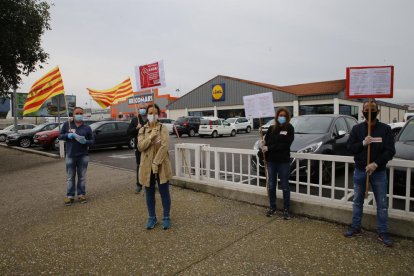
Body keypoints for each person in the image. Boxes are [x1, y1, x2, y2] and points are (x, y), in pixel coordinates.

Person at [344, 100, 396, 247]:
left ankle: (383, 232)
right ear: (362, 112)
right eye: (367, 109)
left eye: (372, 109)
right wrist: (362, 144)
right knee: (357, 201)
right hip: (361, 171)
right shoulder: (357, 129)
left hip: (378, 172)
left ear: (378, 112)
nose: (369, 111)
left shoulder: (385, 129)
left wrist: (376, 164)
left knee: (382, 203)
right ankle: (355, 227)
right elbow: (349, 148)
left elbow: (390, 150)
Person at [138, 103, 173, 230]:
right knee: (149, 193)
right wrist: (151, 137)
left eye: (155, 113)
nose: (153, 115)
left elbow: (164, 146)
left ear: (159, 114)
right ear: (147, 115)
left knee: (164, 192)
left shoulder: (163, 128)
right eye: (150, 113)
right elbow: (141, 146)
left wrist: (156, 162)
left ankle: (166, 217)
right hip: (146, 166)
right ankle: (152, 217)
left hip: (161, 164)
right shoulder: (142, 130)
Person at [261, 107, 295, 220]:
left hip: (283, 161)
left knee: (285, 186)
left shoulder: (289, 128)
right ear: (277, 116)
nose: (282, 117)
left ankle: (286, 209)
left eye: (284, 115)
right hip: (271, 161)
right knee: (271, 185)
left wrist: (269, 147)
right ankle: (272, 207)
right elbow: (269, 141)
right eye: (280, 115)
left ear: (287, 117)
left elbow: (285, 145)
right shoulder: (271, 128)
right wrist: (264, 142)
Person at [58, 107, 94, 206]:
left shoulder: (87, 127)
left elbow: (92, 141)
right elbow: (60, 136)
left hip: (83, 156)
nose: (79, 115)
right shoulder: (67, 125)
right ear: (73, 115)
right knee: (70, 177)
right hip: (70, 155)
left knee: (82, 177)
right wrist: (67, 135)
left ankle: (81, 194)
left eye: (80, 113)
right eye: (77, 113)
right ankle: (70, 196)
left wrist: (85, 141)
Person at [127, 105, 147, 193]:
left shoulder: (151, 119)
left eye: (144, 108)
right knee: (139, 165)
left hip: (149, 146)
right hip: (138, 146)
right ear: (138, 110)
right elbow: (128, 132)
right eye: (141, 108)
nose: (142, 109)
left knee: (151, 165)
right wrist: (136, 128)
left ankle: (151, 184)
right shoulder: (135, 120)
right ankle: (139, 184)